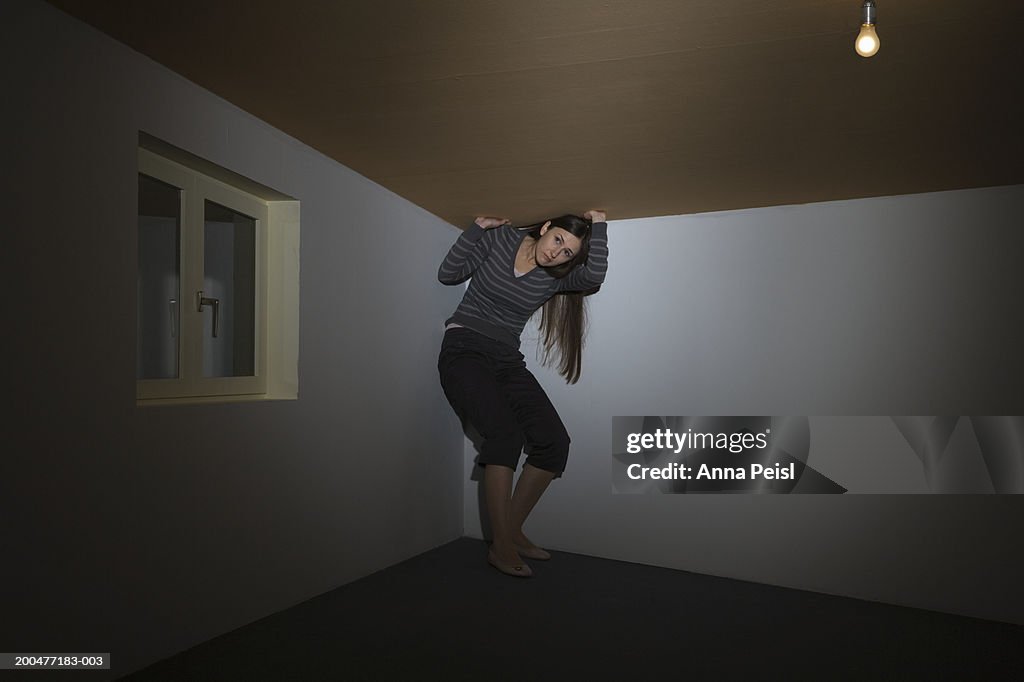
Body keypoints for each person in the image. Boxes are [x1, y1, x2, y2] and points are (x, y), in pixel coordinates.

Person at [437, 210, 609, 577]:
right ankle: (500, 545)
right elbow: (448, 274)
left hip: (506, 359)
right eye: (558, 240)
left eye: (568, 253)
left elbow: (593, 276)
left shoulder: (553, 278)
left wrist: (601, 226)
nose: (556, 253)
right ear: (546, 227)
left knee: (553, 441)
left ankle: (510, 529)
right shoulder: (501, 240)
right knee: (504, 435)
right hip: (464, 347)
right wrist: (476, 230)